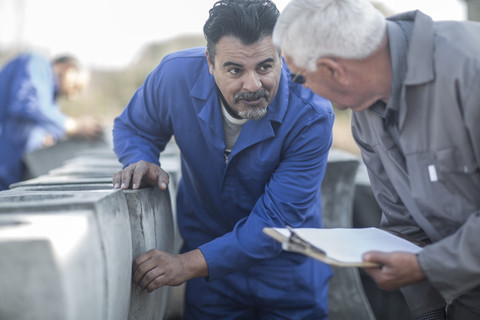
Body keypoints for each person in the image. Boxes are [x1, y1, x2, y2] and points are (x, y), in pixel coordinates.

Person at [112, 0, 335, 318]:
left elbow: (274, 222)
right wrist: (140, 158)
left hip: (287, 267)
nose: (253, 85)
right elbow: (135, 127)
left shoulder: (311, 114)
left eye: (265, 67)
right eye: (235, 70)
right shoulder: (174, 76)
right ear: (209, 62)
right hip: (211, 272)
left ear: (281, 57)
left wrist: (184, 265)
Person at [273, 0, 480, 319]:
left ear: (333, 69)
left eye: (299, 78)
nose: (303, 90)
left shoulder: (470, 68)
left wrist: (427, 266)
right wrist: (429, 312)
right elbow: (402, 223)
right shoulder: (365, 115)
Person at [0, 53, 104, 190]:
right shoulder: (36, 64)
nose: (73, 96)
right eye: (76, 87)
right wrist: (73, 126)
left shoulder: (50, 99)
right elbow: (28, 104)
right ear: (69, 69)